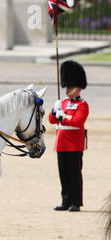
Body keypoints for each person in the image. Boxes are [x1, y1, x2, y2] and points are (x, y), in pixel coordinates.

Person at [48, 60, 89, 212]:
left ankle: (76, 202)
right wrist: (54, 110)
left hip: (74, 144)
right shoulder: (63, 103)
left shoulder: (82, 105)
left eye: (70, 87)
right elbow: (52, 120)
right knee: (63, 174)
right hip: (61, 143)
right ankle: (65, 201)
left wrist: (62, 115)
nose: (67, 89)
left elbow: (78, 121)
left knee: (74, 174)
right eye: (67, 86)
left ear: (78, 88)